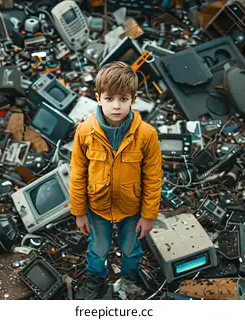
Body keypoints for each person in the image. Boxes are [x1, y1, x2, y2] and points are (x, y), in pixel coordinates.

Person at [69, 61, 163, 299]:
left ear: (133, 98)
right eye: (109, 99)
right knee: (97, 250)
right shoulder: (85, 132)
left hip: (131, 207)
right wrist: (79, 211)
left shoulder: (147, 134)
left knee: (131, 250)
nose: (116, 106)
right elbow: (78, 173)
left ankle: (130, 278)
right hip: (97, 206)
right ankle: (96, 280)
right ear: (98, 97)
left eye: (123, 99)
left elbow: (153, 177)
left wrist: (148, 215)